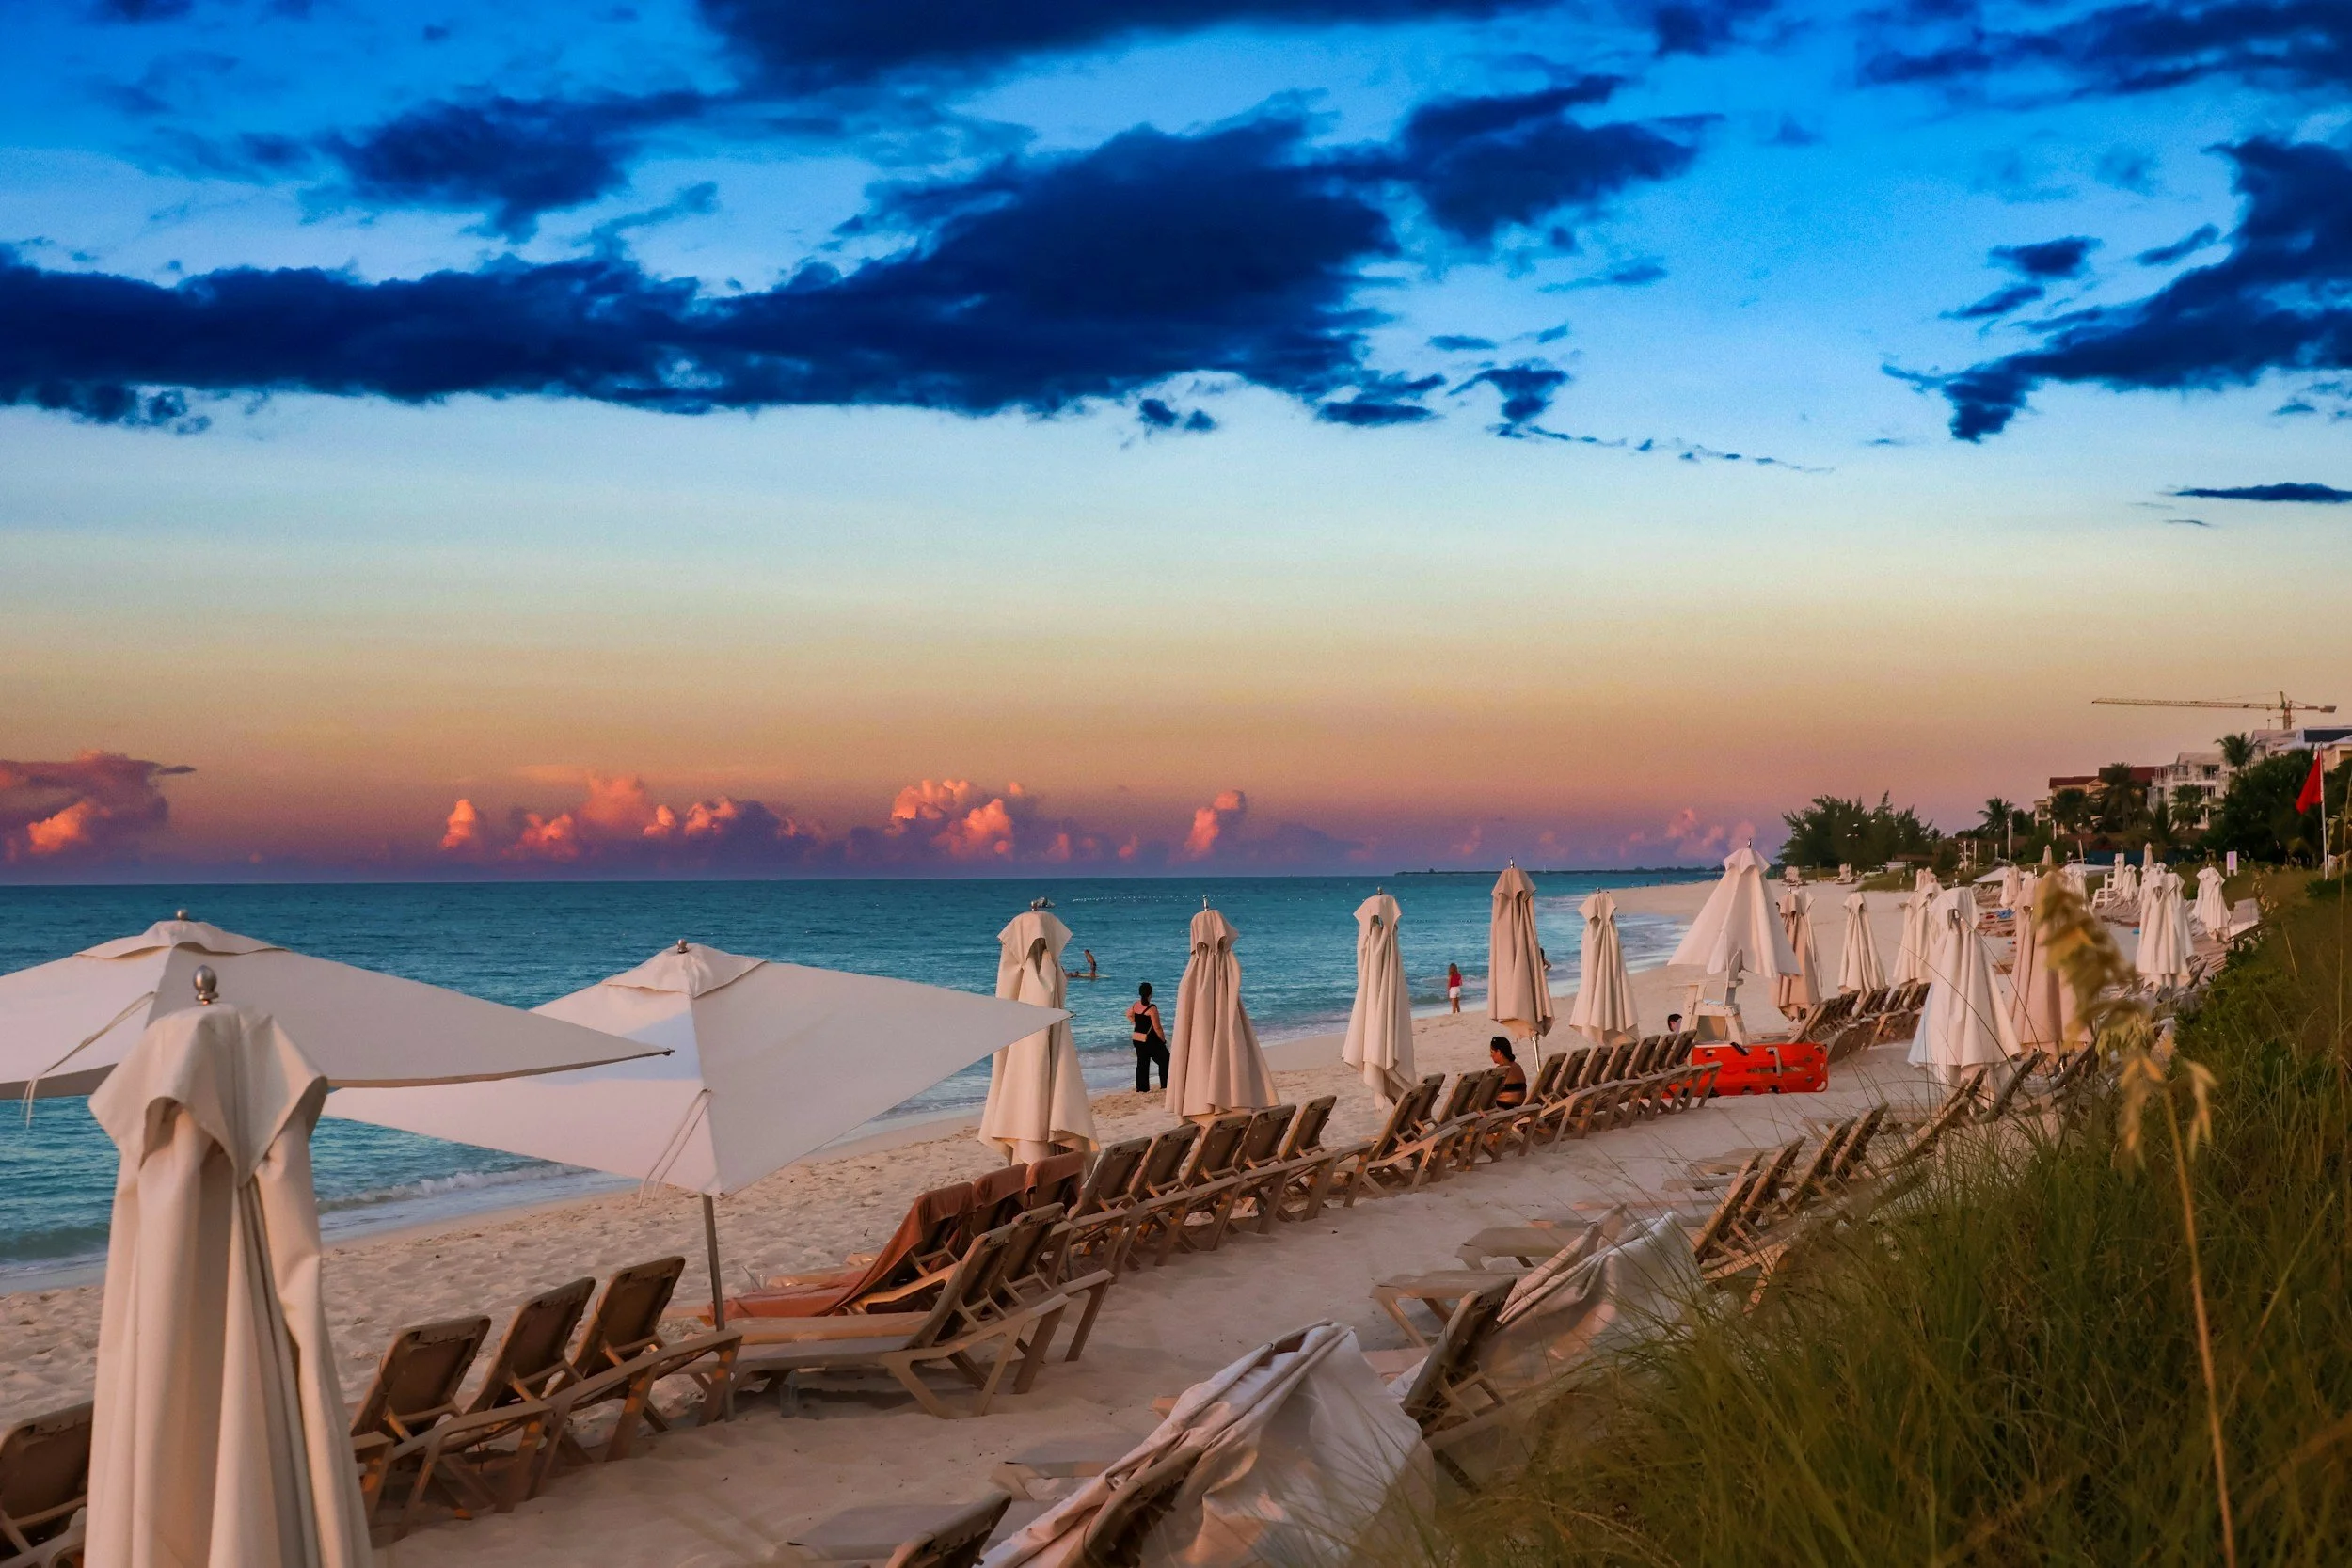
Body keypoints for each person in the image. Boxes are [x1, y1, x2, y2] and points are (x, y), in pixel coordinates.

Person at [1129, 981, 1169, 1093]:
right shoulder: (1152, 1008)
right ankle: (1165, 1085)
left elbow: (1128, 1014)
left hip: (1137, 1038)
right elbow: (1157, 1027)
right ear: (1150, 994)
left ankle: (1142, 1088)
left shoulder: (1135, 1005)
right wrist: (1162, 1040)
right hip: (1149, 1040)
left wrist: (1136, 1023)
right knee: (1166, 1059)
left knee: (1142, 1063)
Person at [1489, 1037, 1528, 1107]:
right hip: (1518, 1106)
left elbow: (1489, 1095)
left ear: (1499, 1052)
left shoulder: (1501, 1071)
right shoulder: (1517, 1067)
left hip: (1504, 1109)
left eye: (1492, 1052)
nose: (1491, 1055)